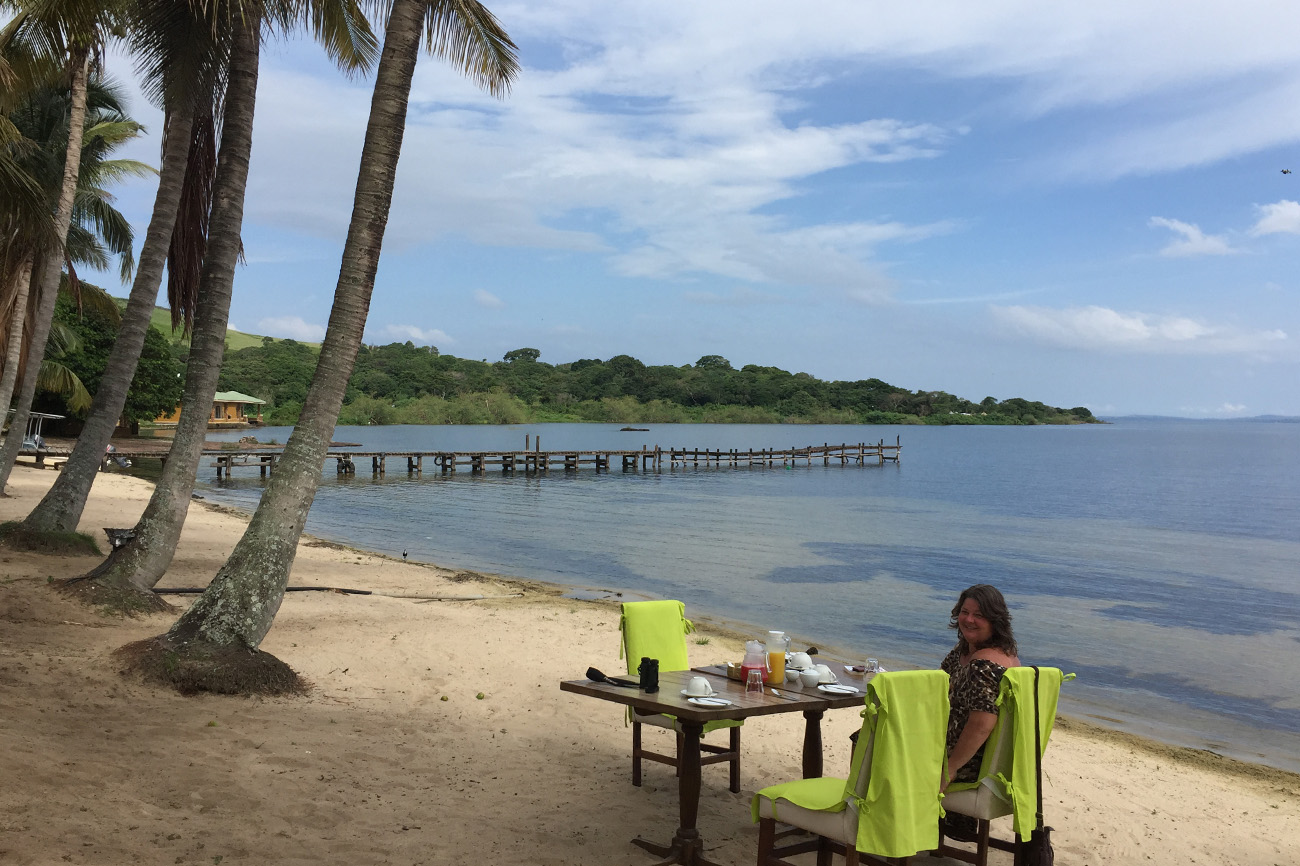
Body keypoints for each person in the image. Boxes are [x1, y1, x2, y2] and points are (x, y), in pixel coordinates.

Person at [940, 584, 1020, 790]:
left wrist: (950, 768)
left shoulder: (983, 666)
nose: (968, 620)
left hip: (965, 763)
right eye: (964, 612)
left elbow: (981, 724)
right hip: (958, 752)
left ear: (995, 620)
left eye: (979, 615)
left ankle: (867, 814)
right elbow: (937, 686)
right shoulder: (968, 651)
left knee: (870, 739)